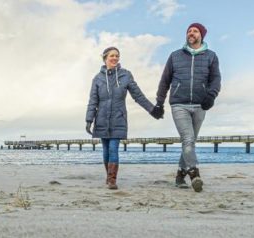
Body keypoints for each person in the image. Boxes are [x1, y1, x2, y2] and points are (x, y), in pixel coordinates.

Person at [152, 22, 221, 192]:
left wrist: (211, 96)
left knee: (189, 143)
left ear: (201, 35)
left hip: (200, 104)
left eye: (195, 31)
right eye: (189, 31)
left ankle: (179, 176)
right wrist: (159, 103)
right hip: (179, 104)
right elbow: (165, 80)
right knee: (188, 140)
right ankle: (195, 175)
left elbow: (216, 80)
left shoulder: (211, 56)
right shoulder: (175, 56)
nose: (191, 33)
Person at [85, 47, 156, 190]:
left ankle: (112, 180)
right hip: (102, 119)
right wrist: (89, 119)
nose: (115, 58)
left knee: (113, 148)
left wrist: (152, 109)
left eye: (117, 56)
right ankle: (108, 176)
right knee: (105, 149)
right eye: (112, 56)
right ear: (105, 58)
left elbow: (138, 95)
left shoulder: (126, 75)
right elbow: (93, 100)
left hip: (119, 118)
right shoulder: (97, 78)